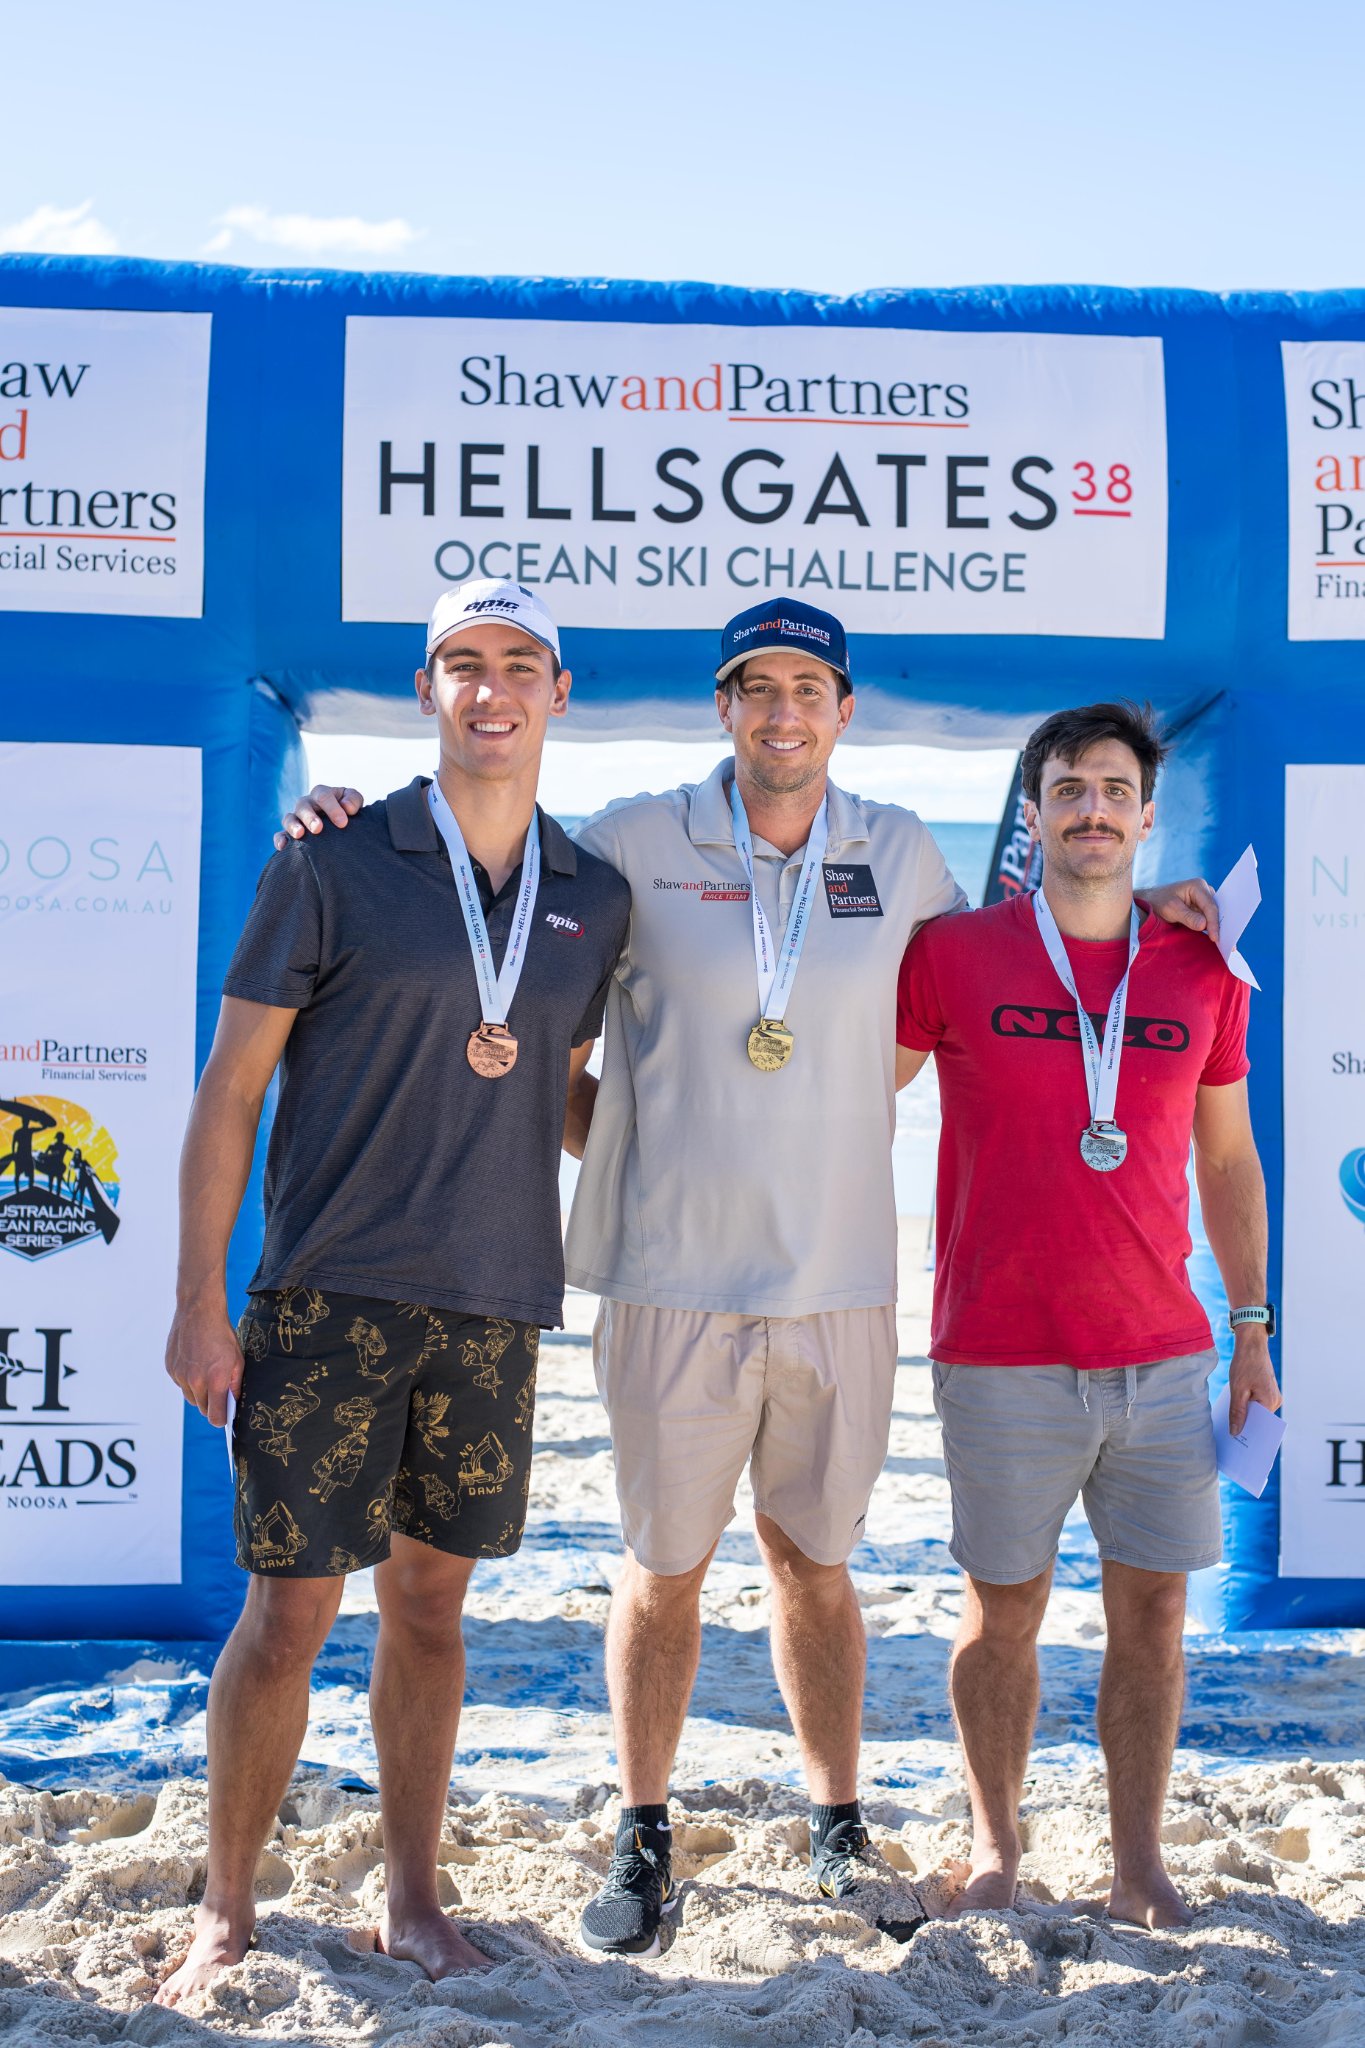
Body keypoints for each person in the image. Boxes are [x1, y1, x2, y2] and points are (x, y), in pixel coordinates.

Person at [283, 604, 1217, 1960]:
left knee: (816, 1566)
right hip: (670, 1282)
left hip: (839, 1283)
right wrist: (340, 822)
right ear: (722, 706)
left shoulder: (902, 851)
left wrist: (1164, 906)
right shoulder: (630, 839)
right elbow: (497, 943)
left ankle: (836, 1819)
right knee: (664, 1569)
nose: (785, 713)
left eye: (809, 689)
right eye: (758, 688)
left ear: (844, 710)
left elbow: (1022, 959)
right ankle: (643, 1828)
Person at [156, 580, 629, 2005]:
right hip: (329, 1296)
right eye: (463, 664)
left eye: (520, 664)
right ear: (427, 689)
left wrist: (722, 1141)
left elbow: (557, 1094)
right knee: (289, 1614)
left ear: (559, 692)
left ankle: (414, 1899)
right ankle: (227, 1907)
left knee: (430, 1610)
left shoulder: (590, 894)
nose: (492, 689)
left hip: (492, 1303)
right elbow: (230, 1092)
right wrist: (198, 1300)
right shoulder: (334, 860)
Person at [895, 700, 1280, 1931]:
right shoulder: (953, 953)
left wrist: (1254, 1329)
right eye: (1069, 788)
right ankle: (995, 1845)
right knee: (1003, 1610)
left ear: (1148, 815)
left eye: (1116, 790)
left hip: (1162, 1355)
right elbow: (845, 1088)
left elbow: (1229, 1159)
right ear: (1035, 811)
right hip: (999, 1351)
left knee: (1154, 1616)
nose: (1093, 809)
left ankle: (1139, 1862)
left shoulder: (1206, 968)